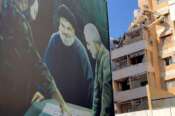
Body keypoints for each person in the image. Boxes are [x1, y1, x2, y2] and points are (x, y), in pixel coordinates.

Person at [0, 0, 70, 115]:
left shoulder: (16, 18)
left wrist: (47, 93)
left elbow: (33, 61)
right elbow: (35, 62)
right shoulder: (17, 17)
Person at [44, 4, 93, 107]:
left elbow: (89, 82)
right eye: (62, 25)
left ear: (74, 31)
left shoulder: (80, 50)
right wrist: (42, 92)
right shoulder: (54, 40)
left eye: (69, 28)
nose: (64, 31)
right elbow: (45, 70)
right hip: (55, 102)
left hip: (75, 105)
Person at [84, 23, 114, 116]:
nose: (87, 47)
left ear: (95, 42)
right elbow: (96, 96)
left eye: (88, 44)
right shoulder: (98, 61)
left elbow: (107, 101)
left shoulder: (106, 59)